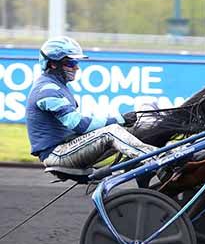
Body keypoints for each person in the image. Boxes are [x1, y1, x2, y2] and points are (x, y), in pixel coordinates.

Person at [26, 36, 157, 175]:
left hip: (66, 146)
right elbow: (79, 124)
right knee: (111, 131)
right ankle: (158, 159)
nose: (76, 67)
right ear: (53, 64)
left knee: (130, 130)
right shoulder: (47, 90)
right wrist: (120, 119)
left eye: (76, 62)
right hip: (56, 154)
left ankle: (159, 155)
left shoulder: (56, 85)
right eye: (70, 63)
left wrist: (125, 123)